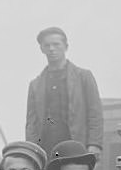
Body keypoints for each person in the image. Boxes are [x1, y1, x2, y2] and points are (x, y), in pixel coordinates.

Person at [25, 27, 104, 162]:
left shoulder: (83, 77)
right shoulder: (35, 85)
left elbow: (95, 114)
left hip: (77, 146)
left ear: (66, 47)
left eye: (56, 44)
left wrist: (94, 144)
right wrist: (32, 150)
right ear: (41, 49)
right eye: (47, 45)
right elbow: (31, 123)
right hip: (46, 148)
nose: (51, 49)